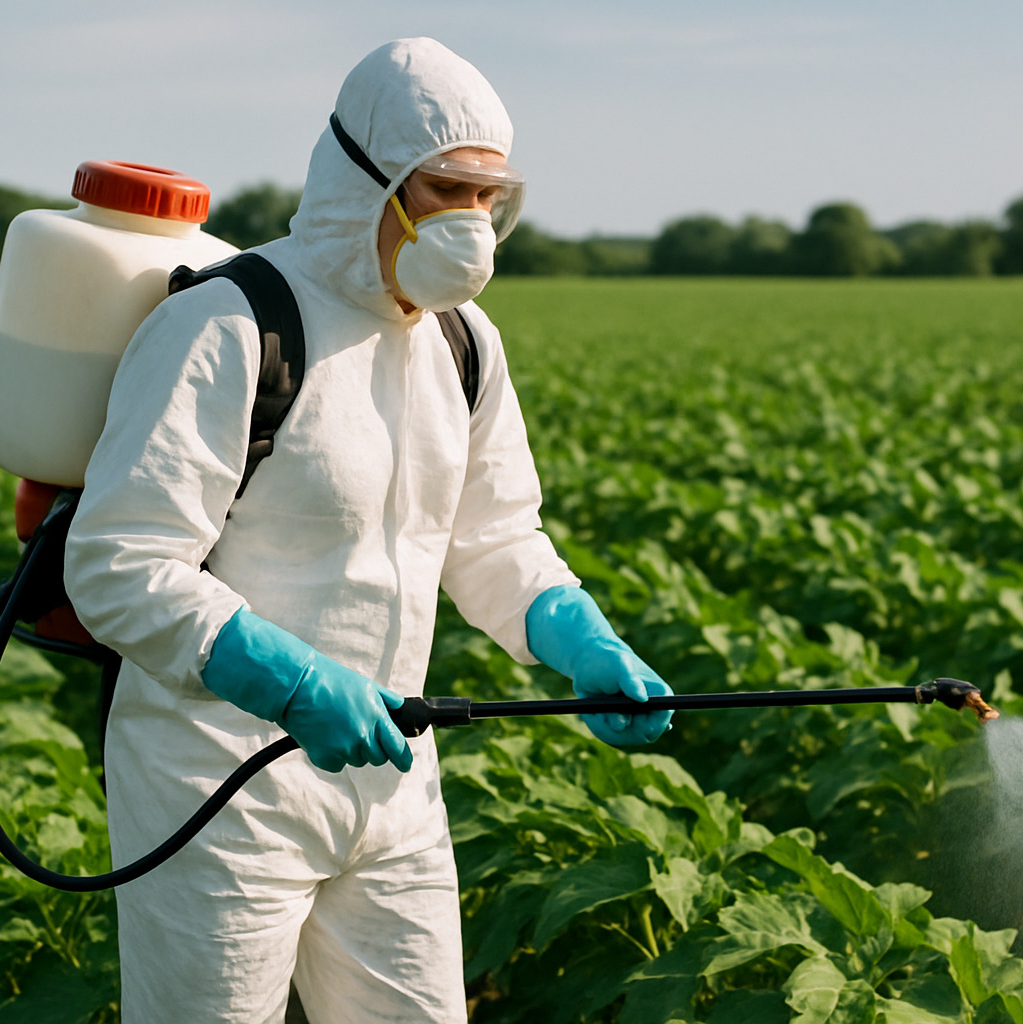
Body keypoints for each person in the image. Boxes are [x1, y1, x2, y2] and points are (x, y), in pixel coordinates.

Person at [63, 37, 672, 1024]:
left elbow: (495, 538)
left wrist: (579, 638)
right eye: (445, 191)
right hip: (218, 782)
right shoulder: (230, 324)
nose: (471, 223)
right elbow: (120, 564)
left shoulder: (464, 342)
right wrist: (291, 678)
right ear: (368, 181)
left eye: (488, 198)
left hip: (392, 782)